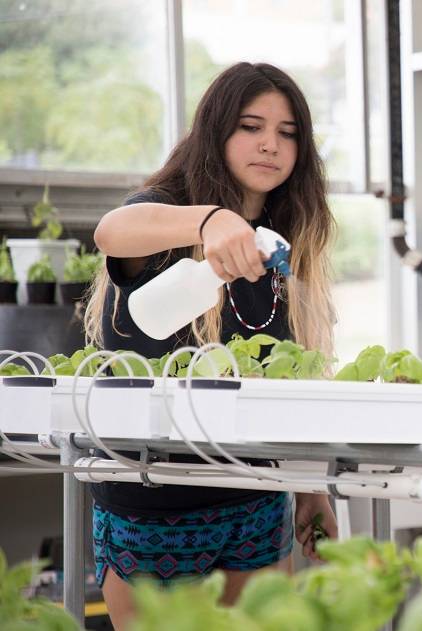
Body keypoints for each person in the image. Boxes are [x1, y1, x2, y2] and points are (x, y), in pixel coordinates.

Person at [84, 62, 338, 630]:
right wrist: (210, 221)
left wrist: (308, 488)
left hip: (255, 495)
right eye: (251, 126)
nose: (271, 144)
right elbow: (110, 232)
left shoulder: (282, 241)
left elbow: (293, 380)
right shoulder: (169, 213)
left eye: (288, 132)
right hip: (154, 502)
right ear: (216, 132)